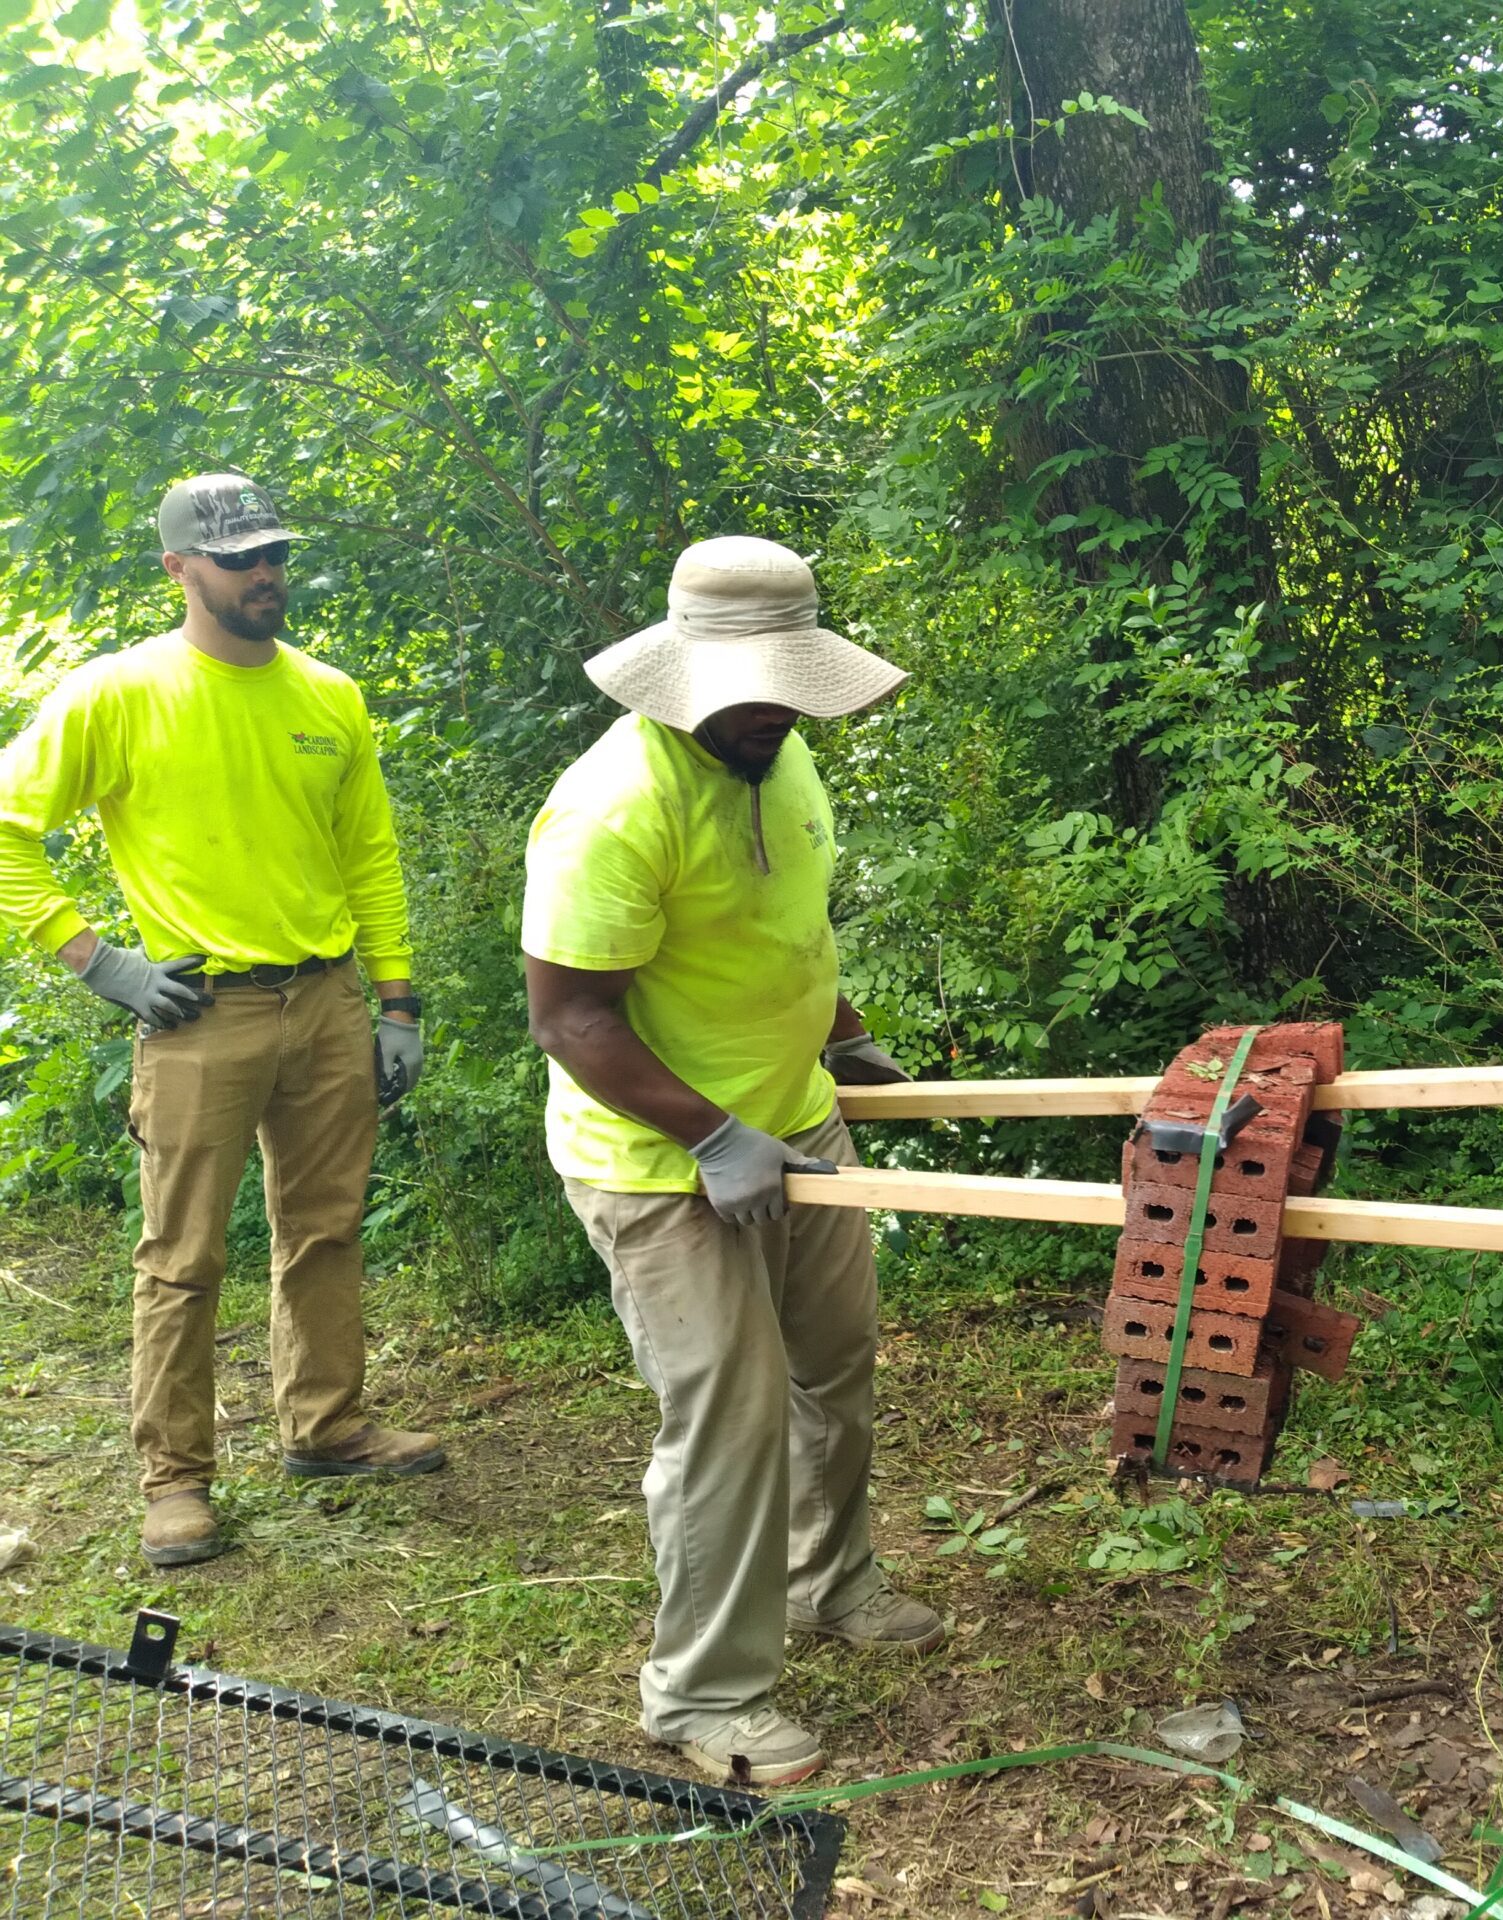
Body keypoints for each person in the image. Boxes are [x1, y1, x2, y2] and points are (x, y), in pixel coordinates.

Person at [522, 535, 940, 1790]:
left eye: (786, 684)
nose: (768, 709)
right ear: (681, 675)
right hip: (658, 1159)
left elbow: (785, 928)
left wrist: (848, 1042)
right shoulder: (615, 806)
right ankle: (703, 1696)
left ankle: (833, 1583)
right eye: (746, 690)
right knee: (731, 1416)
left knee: (836, 1367)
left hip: (796, 1120)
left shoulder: (780, 748)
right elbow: (571, 1019)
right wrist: (710, 1134)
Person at [0, 473, 441, 1571]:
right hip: (202, 1014)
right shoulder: (118, 694)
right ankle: (175, 1481)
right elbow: (9, 827)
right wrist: (98, 963)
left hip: (330, 1000)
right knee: (183, 1255)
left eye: (273, 553)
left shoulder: (331, 695)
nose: (264, 574)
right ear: (179, 568)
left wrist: (396, 1001)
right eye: (238, 557)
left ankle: (327, 1426)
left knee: (325, 1226)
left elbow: (368, 857)